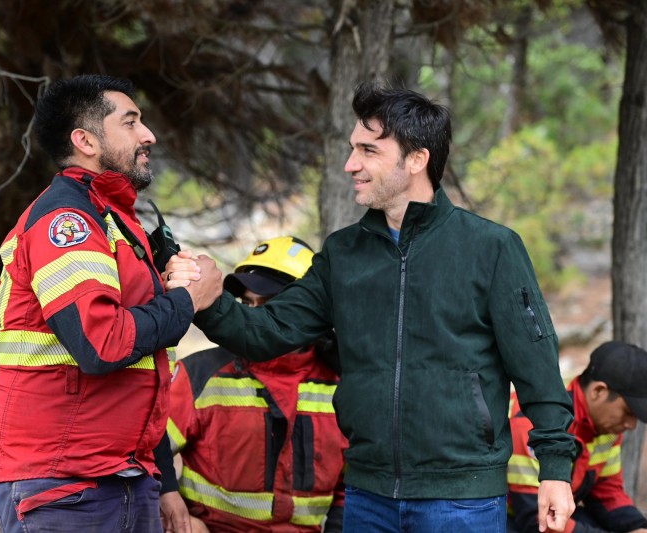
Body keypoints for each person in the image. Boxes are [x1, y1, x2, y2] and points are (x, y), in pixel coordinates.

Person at [167, 82, 578, 532]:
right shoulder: (343, 254)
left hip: (462, 499)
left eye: (368, 150)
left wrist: (555, 471)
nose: (351, 164)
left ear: (417, 159)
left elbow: (537, 368)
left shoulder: (491, 248)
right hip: (368, 498)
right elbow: (267, 332)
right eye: (352, 148)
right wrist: (208, 303)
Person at [0, 74, 222, 533]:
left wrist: (164, 481)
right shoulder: (67, 221)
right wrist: (187, 300)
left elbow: (142, 370)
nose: (148, 135)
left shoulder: (113, 219)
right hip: (65, 486)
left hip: (124, 476)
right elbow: (102, 344)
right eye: (130, 122)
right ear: (86, 141)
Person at [160, 236, 348, 533]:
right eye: (247, 303)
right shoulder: (200, 373)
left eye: (269, 304)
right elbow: (146, 446)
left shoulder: (342, 385)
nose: (252, 314)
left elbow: (349, 489)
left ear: (309, 311)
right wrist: (168, 497)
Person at [508, 341, 647, 533]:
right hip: (501, 515)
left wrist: (638, 526)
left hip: (549, 512)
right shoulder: (532, 419)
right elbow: (537, 518)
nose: (631, 425)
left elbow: (607, 492)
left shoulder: (607, 429)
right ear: (598, 391)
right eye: (628, 412)